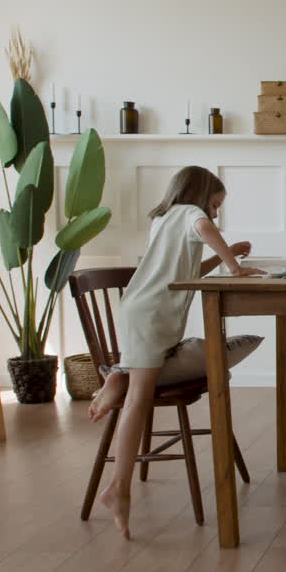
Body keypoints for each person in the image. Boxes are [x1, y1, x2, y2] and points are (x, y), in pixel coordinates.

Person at [87, 166, 264, 539]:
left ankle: (118, 377)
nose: (214, 214)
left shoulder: (165, 218)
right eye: (215, 204)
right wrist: (234, 267)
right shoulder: (191, 214)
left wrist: (224, 256)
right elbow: (203, 227)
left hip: (148, 311)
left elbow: (187, 271)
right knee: (140, 399)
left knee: (141, 384)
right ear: (201, 195)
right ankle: (119, 489)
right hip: (152, 315)